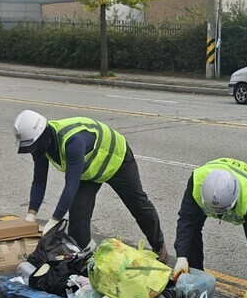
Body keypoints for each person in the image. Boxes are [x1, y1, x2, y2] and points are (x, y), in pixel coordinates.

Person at [13, 110, 168, 263]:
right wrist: (31, 215)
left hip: (116, 160)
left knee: (138, 204)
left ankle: (158, 245)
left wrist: (54, 221)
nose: (32, 150)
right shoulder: (39, 145)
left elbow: (71, 185)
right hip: (89, 169)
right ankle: (88, 258)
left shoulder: (73, 141)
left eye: (32, 146)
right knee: (78, 217)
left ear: (43, 135)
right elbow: (39, 180)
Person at [171, 157, 247, 298]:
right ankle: (195, 291)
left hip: (245, 189)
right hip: (208, 190)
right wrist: (182, 257)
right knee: (191, 232)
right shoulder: (197, 181)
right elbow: (186, 221)